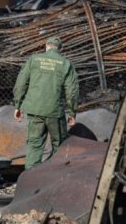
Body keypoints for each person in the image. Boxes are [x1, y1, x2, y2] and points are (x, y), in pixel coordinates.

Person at [13, 36, 79, 169]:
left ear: (46, 46)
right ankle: (54, 175)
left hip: (34, 110)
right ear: (60, 49)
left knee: (34, 144)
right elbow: (72, 91)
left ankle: (31, 177)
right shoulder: (65, 63)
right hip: (54, 112)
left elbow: (20, 84)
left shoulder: (33, 59)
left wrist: (18, 105)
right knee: (59, 144)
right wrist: (72, 112)